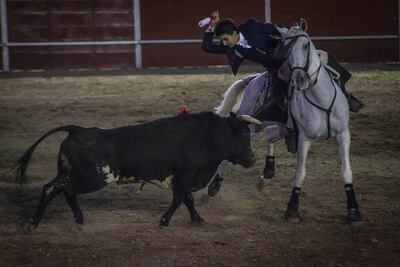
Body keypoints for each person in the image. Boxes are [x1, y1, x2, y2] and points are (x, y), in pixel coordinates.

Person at [201, 11, 364, 195]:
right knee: (280, 98)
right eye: (222, 41)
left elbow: (279, 29)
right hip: (276, 70)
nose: (224, 44)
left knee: (329, 61)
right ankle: (291, 129)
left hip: (291, 56)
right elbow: (206, 46)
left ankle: (346, 96)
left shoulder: (252, 26)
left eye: (225, 39)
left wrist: (292, 41)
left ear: (234, 33)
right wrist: (211, 25)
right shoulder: (231, 47)